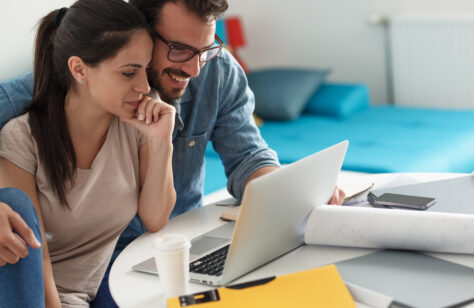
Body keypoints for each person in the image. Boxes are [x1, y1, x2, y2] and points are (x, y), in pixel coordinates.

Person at [0, 0, 345, 306]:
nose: (195, 69)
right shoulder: (52, 89)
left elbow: (248, 157)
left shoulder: (211, 75)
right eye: (180, 49)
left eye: (206, 50)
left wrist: (292, 193)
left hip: (170, 240)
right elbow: (28, 224)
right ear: (144, 34)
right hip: (100, 262)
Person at [0, 0, 176, 306]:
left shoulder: (139, 123)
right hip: (29, 294)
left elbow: (156, 219)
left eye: (145, 70)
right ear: (79, 69)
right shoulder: (22, 138)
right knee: (15, 205)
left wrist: (162, 142)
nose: (144, 86)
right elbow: (33, 254)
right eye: (128, 73)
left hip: (84, 294)